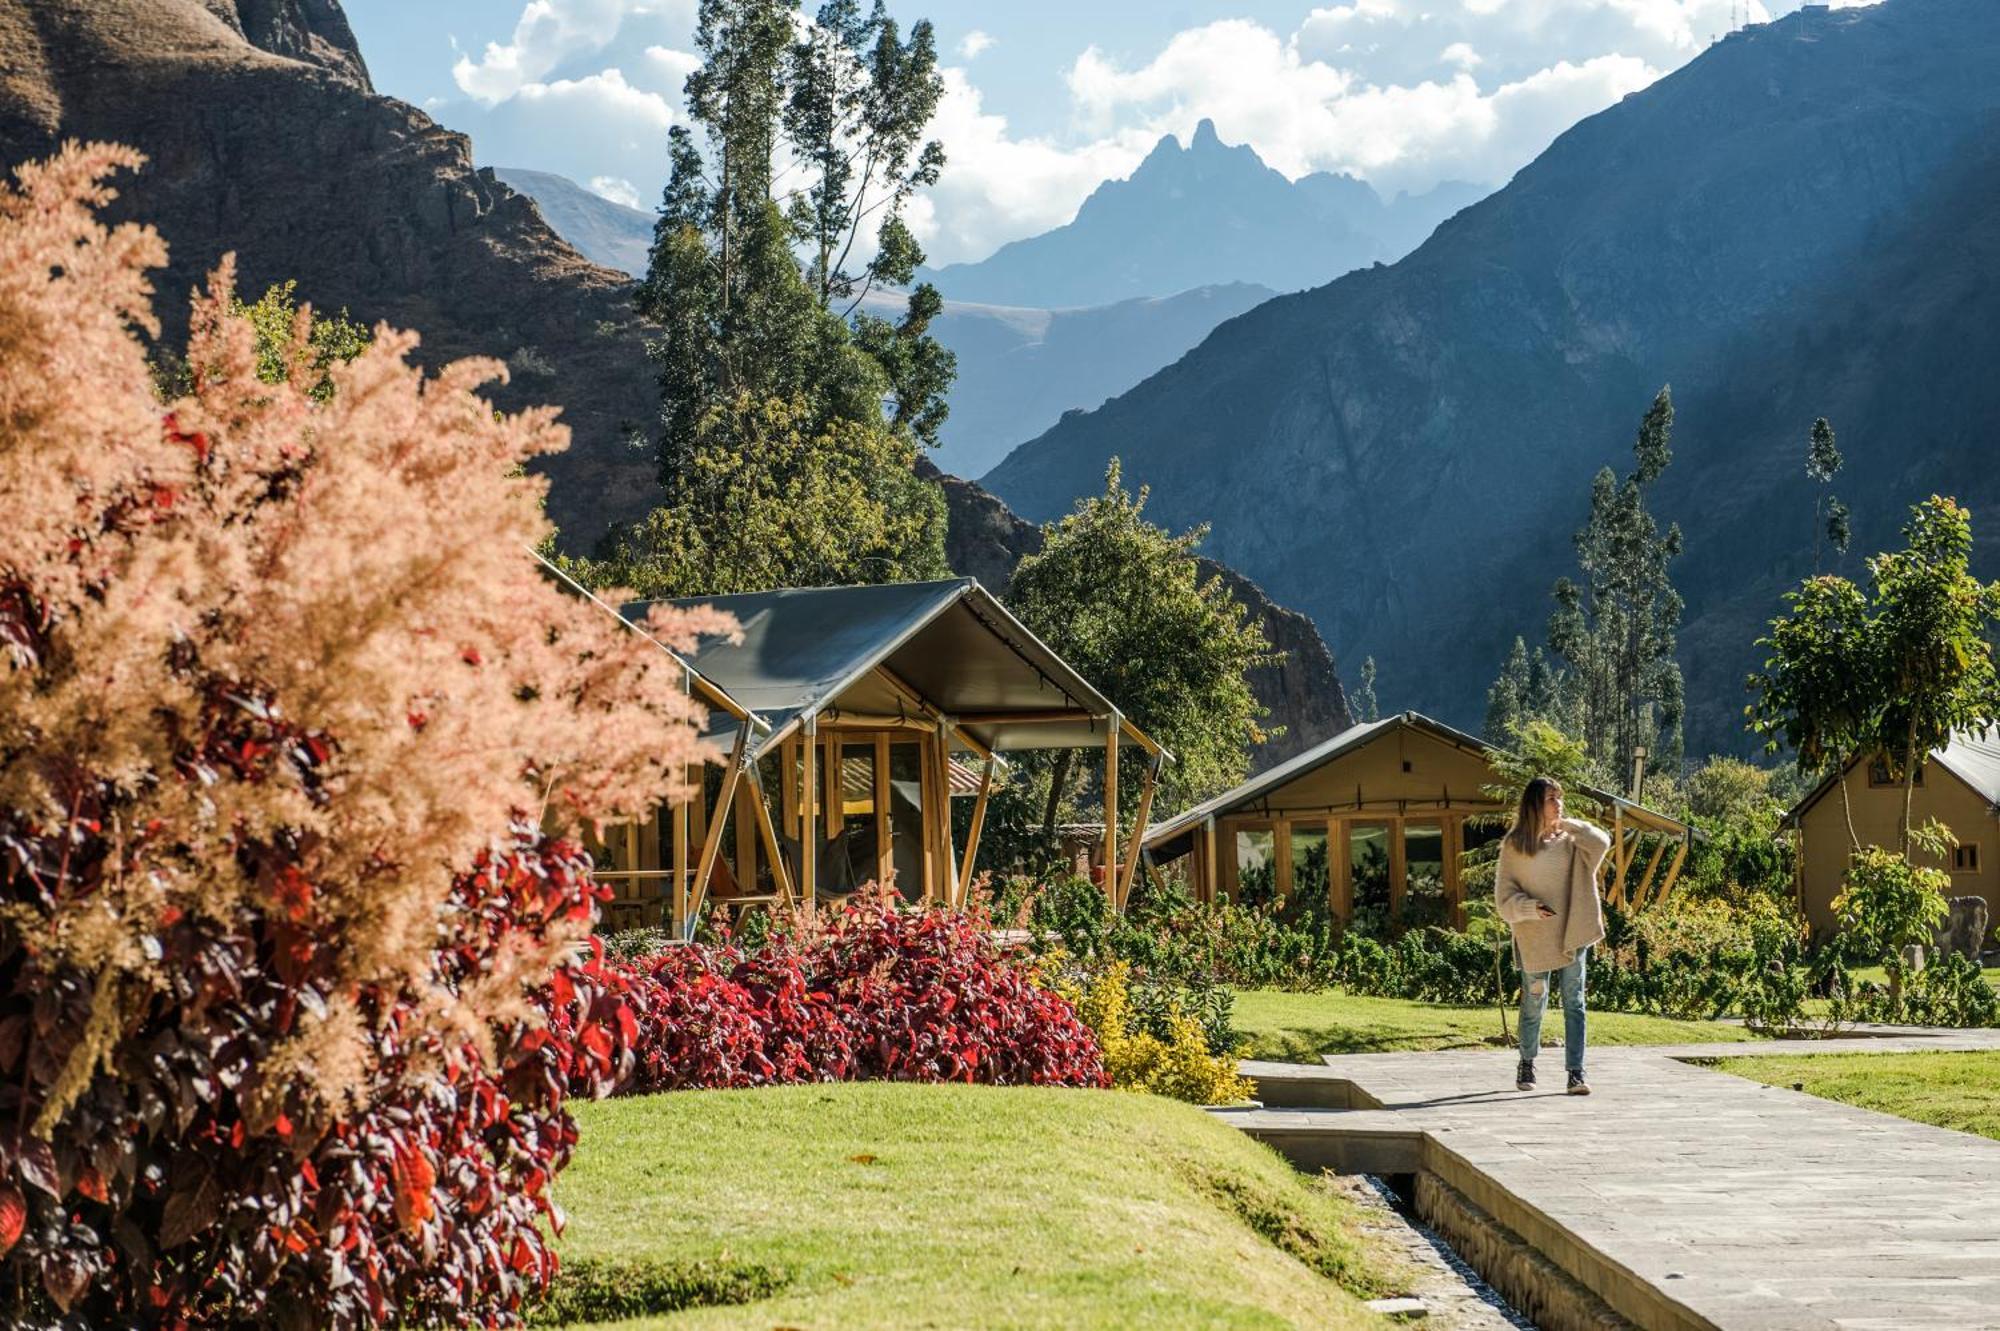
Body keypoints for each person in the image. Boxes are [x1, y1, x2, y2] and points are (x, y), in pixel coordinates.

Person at [1493, 776, 1611, 1095]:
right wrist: (1530, 908)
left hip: (1573, 930)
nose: (1557, 803)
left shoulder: (1572, 841)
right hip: (1535, 936)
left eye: (1560, 798)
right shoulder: (1515, 846)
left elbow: (1602, 842)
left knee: (1575, 1002)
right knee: (1534, 1001)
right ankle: (1527, 1062)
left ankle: (1576, 1072)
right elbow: (1504, 901)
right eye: (1550, 799)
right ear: (1534, 804)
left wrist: (1567, 823)